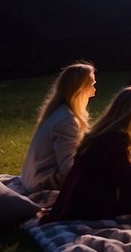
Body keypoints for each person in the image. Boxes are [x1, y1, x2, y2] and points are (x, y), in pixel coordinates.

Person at [44, 87, 131, 221]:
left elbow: (114, 172)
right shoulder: (114, 139)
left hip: (87, 199)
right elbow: (127, 180)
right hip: (99, 205)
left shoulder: (101, 134)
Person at [21, 62, 96, 193]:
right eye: (91, 85)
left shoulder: (60, 113)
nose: (94, 92)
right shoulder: (66, 121)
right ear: (79, 89)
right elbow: (68, 169)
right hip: (42, 182)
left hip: (35, 178)